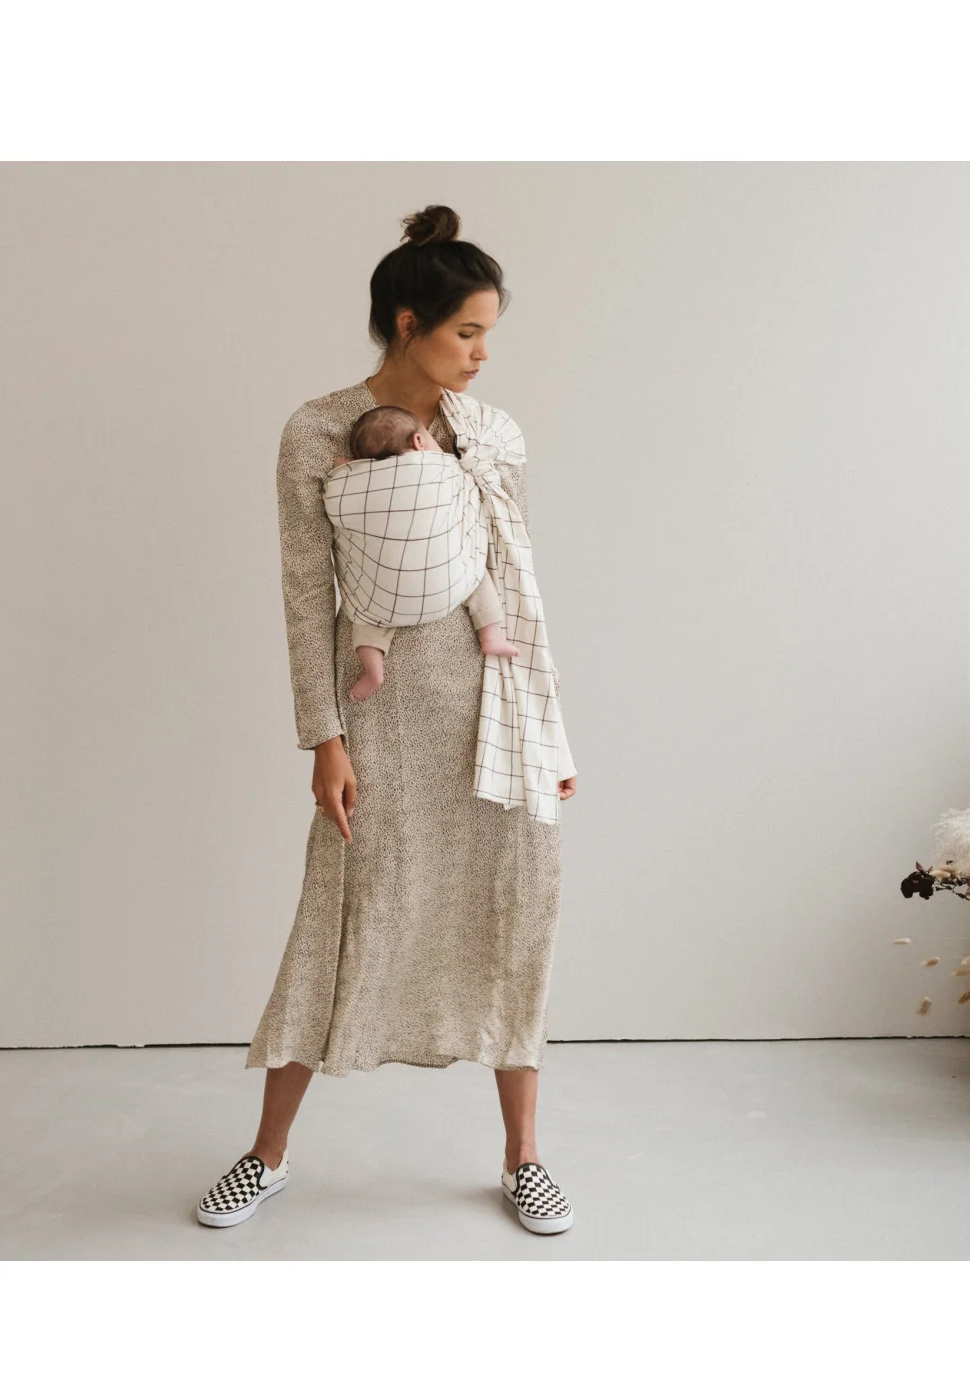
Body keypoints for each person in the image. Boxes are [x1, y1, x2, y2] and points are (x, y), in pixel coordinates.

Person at [195, 203, 578, 1235]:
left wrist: (550, 733)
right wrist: (324, 738)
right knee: (336, 917)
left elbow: (517, 587)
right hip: (382, 719)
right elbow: (305, 594)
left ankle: (525, 1157)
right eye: (467, 332)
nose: (482, 355)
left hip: (495, 712)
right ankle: (267, 1155)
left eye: (489, 333)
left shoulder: (492, 436)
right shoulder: (318, 430)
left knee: (516, 911)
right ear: (408, 324)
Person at [328, 403, 521, 703]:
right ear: (419, 441)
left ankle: (373, 670)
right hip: (448, 583)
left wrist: (342, 471)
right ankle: (490, 636)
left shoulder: (348, 483)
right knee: (478, 578)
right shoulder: (444, 468)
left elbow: (334, 500)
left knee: (365, 618)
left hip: (382, 595)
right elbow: (469, 480)